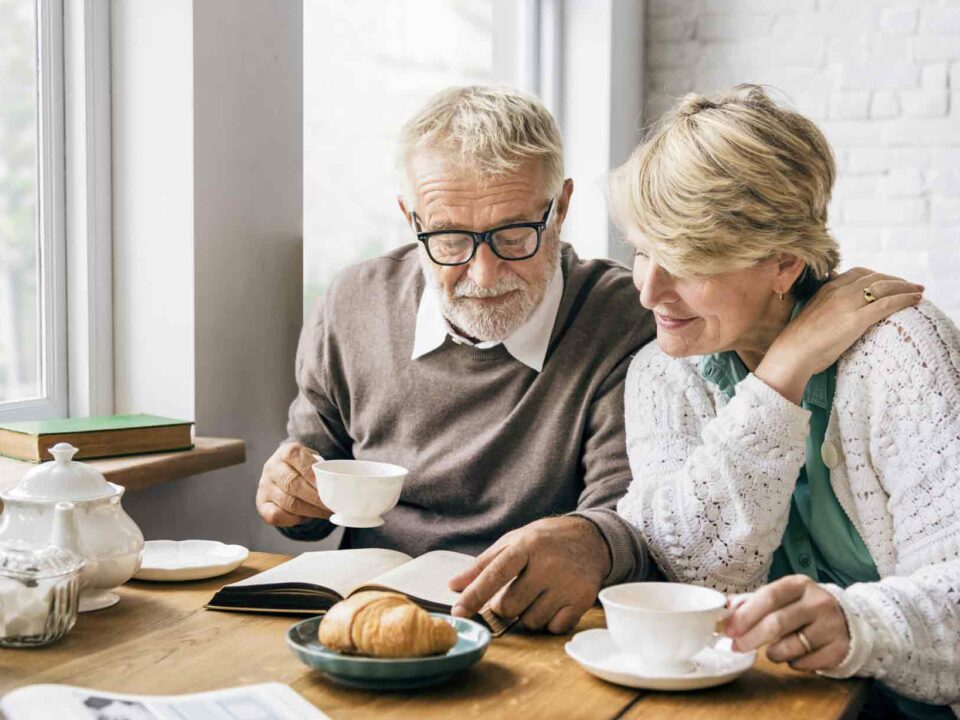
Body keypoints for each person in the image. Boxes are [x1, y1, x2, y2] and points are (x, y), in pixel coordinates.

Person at [612, 85, 959, 717]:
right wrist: (782, 373)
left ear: (784, 261)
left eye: (687, 260)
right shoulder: (662, 375)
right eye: (642, 252)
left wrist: (855, 624)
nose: (648, 291)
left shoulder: (902, 350)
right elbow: (694, 575)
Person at [256, 86, 656, 633]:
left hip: (537, 624)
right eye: (447, 239)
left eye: (515, 235)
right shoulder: (352, 303)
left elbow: (633, 518)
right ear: (410, 217)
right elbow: (312, 487)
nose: (484, 275)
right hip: (367, 614)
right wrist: (290, 493)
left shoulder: (624, 318)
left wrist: (596, 542)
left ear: (560, 208)